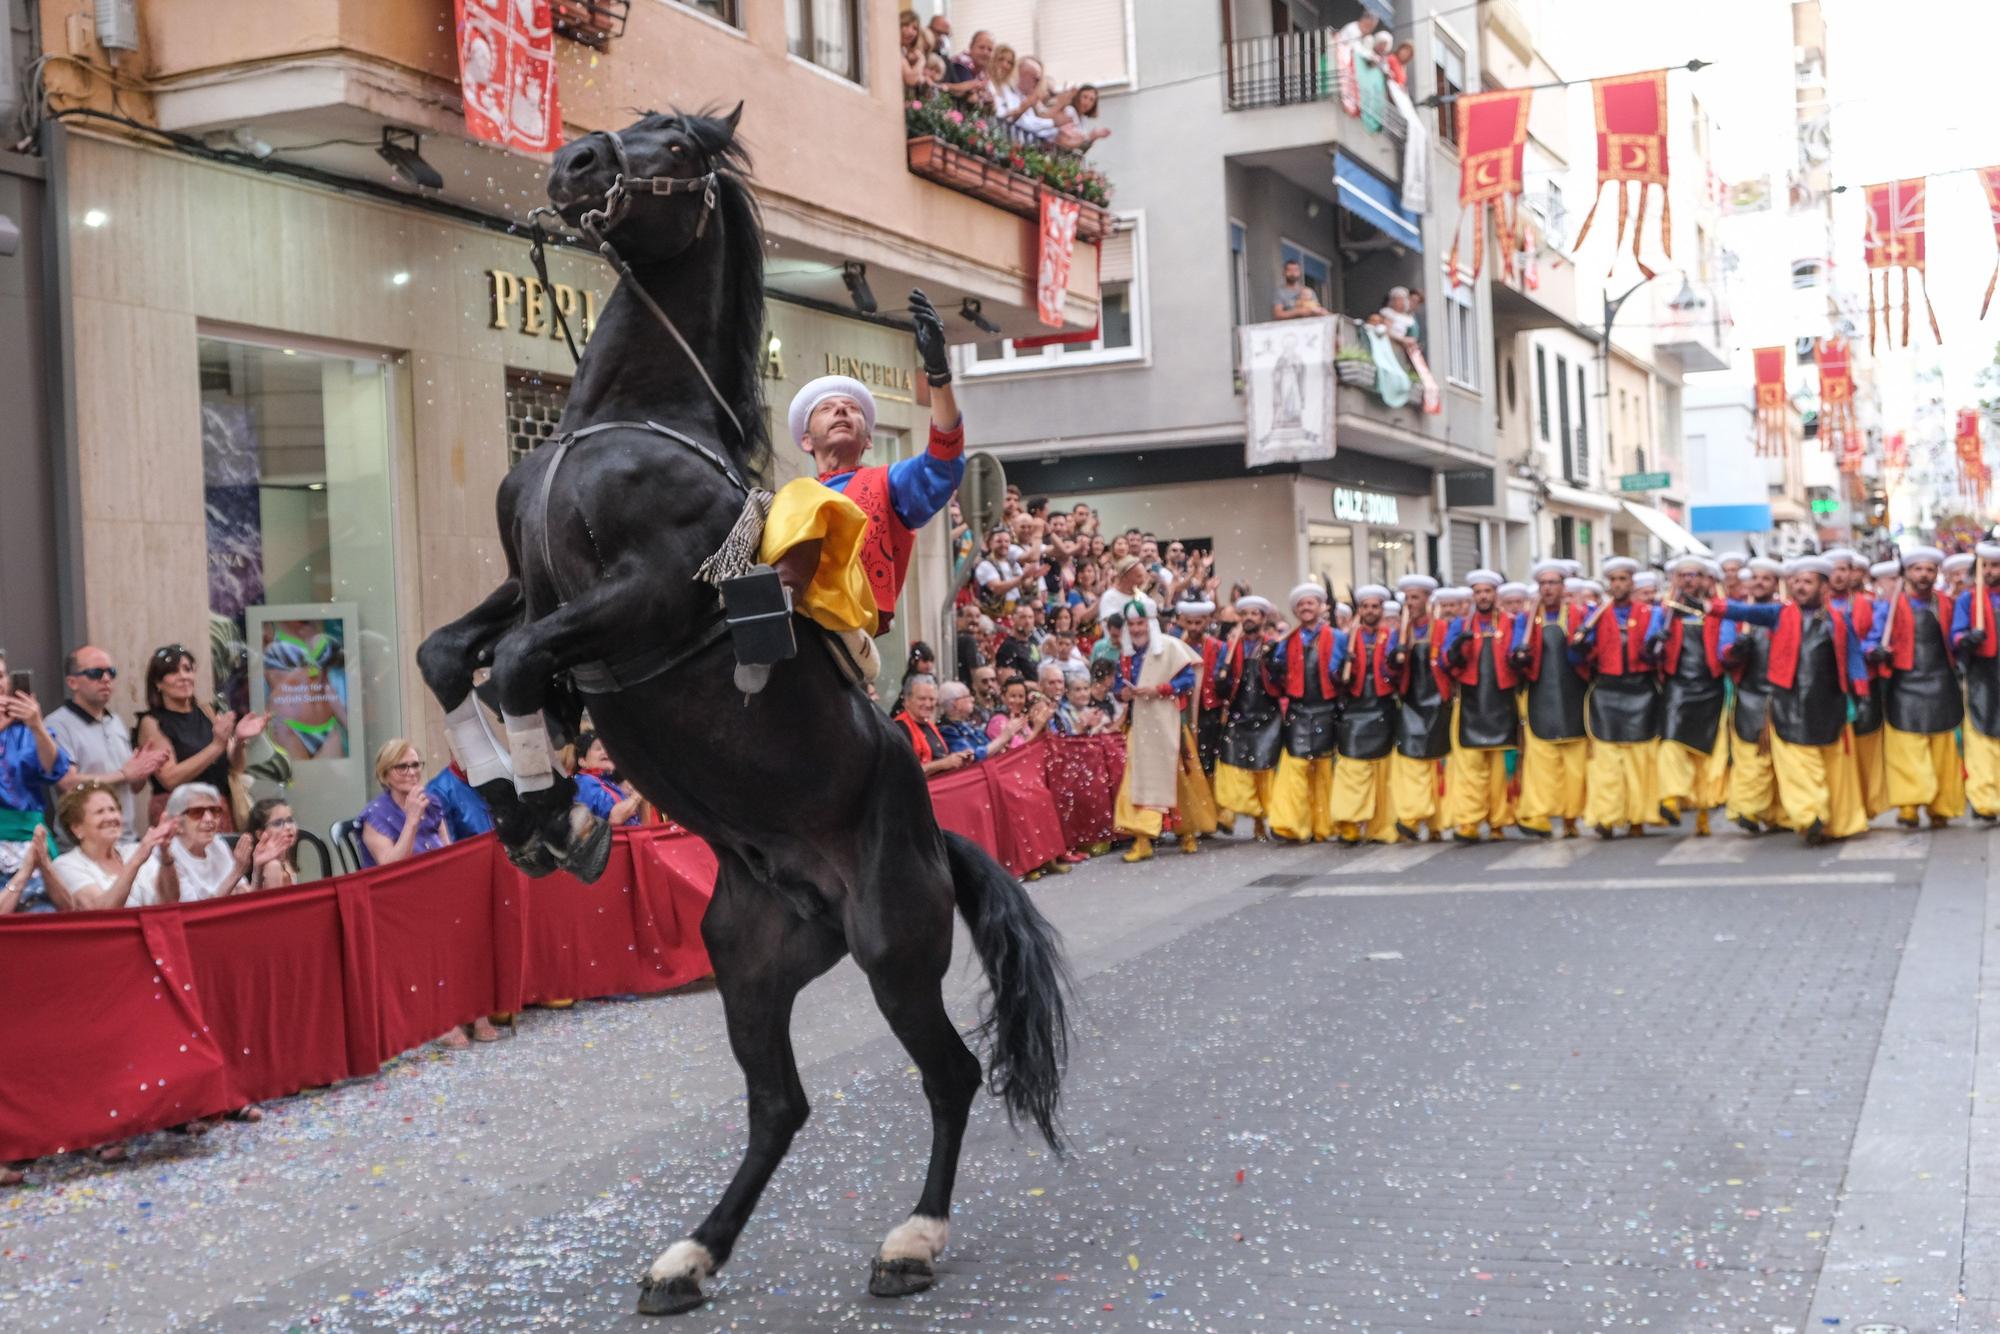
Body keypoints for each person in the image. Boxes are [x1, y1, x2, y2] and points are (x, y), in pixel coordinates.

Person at [761, 293, 964, 656]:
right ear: (806, 441)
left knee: (798, 493)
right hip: (798, 623)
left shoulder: (888, 483)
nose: (841, 409)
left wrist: (938, 374)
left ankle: (773, 610)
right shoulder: (791, 499)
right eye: (827, 408)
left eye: (851, 409)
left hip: (850, 623)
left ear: (869, 440)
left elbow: (943, 462)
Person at [1713, 557, 1868, 843]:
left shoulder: (1837, 618)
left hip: (1828, 703)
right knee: (1799, 765)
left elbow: (1853, 656)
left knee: (1831, 767)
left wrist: (1861, 692)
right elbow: (1742, 611)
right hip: (1787, 703)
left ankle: (1832, 819)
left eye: (1807, 581)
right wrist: (1713, 607)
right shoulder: (1778, 614)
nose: (1800, 587)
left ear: (1823, 587)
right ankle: (1810, 817)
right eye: (1795, 581)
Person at [1865, 545, 1964, 827]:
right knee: (1906, 748)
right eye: (1917, 569)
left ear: (1936, 574)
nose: (1924, 575)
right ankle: (1909, 806)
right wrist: (1875, 651)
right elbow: (1872, 639)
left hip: (1941, 683)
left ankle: (1941, 806)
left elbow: (1957, 636)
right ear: (1907, 573)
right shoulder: (1890, 606)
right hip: (1905, 685)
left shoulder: (1945, 604)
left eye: (1929, 570)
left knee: (1942, 749)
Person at [1570, 557, 1667, 838]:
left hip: (1641, 689)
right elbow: (1577, 656)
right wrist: (1578, 645)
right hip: (1607, 690)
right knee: (1606, 760)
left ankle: (1639, 817)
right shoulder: (1596, 614)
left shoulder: (1649, 613)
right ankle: (1606, 816)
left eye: (1623, 579)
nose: (1618, 584)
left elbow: (1658, 653)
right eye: (1613, 580)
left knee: (1639, 758)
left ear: (1631, 583)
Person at [1111, 603, 1211, 861]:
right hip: (1139, 726)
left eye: (1140, 623)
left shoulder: (1169, 647)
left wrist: (1160, 689)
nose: (1135, 629)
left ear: (1150, 623)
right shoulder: (1126, 654)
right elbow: (1118, 685)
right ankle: (1142, 838)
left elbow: (1187, 680)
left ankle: (1186, 831)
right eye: (1131, 624)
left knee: (1177, 778)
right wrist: (1122, 693)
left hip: (1167, 722)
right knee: (1138, 780)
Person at [135, 644, 265, 829]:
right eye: (173, 672)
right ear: (158, 683)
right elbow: (170, 778)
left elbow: (237, 766)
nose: (184, 677)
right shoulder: (152, 722)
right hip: (180, 814)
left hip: (219, 807)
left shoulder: (208, 711)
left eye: (187, 669)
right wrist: (215, 747)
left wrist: (240, 740)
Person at [46, 645, 167, 837]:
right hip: (83, 843)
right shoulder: (57, 724)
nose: (106, 679)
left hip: (125, 837)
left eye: (111, 672)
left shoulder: (115, 721)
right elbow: (68, 783)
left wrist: (143, 769)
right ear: (72, 682)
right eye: (96, 673)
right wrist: (124, 773)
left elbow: (133, 787)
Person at [1509, 559, 1590, 838]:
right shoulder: (1526, 618)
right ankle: (1536, 814)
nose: (1547, 588)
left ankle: (1571, 816)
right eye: (1543, 584)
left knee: (1575, 764)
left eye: (1553, 583)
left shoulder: (1579, 615)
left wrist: (1583, 647)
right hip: (1540, 695)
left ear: (1563, 587)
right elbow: (1514, 651)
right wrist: (1518, 656)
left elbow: (1590, 655)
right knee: (1540, 762)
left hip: (1573, 694)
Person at [1438, 570, 1519, 842]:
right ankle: (1469, 821)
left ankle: (1498, 821)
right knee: (1468, 767)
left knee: (1498, 769)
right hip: (1470, 703)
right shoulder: (1460, 626)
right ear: (1473, 596)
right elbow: (1446, 664)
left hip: (1500, 702)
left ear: (1495, 594)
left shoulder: (1510, 622)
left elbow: (1518, 658)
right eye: (1478, 592)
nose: (1483, 596)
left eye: (1488, 591)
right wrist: (1455, 652)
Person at [1653, 556, 1731, 836]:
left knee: (1706, 751)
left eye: (1694, 575)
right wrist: (1654, 642)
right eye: (1683, 575)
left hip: (1710, 687)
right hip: (1677, 685)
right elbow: (1651, 642)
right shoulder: (1665, 610)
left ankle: (1702, 812)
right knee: (1671, 742)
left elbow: (1727, 644)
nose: (1688, 580)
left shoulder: (1718, 610)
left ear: (1705, 579)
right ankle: (1671, 797)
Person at [1269, 583, 1341, 844]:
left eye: (1310, 603)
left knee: (1323, 768)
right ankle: (1290, 824)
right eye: (1301, 605)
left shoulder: (1338, 637)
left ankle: (1324, 826)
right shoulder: (1287, 641)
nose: (1305, 607)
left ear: (1320, 607)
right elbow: (1277, 679)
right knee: (1296, 766)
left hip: (1327, 707)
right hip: (1299, 708)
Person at [0, 654, 71, 912]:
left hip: (27, 841)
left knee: (42, 915)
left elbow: (55, 769)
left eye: (1, 675)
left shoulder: (25, 729)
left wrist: (37, 726)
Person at [1330, 585, 1400, 844]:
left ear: (1381, 610)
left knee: (1383, 772)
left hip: (1382, 708)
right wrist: (1341, 668)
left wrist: (1397, 663)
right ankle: (1348, 823)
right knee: (1352, 769)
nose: (1370, 611)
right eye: (1366, 607)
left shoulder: (1391, 635)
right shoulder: (1345, 637)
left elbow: (1397, 672)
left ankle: (1381, 826)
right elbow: (1333, 674)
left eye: (1375, 607)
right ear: (1360, 610)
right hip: (1354, 710)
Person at [1212, 595, 1282, 838]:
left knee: (1263, 770)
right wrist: (1222, 679)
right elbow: (1221, 682)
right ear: (1240, 619)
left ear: (1263, 618)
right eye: (1246, 614)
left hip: (1267, 714)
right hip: (1239, 714)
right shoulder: (1230, 647)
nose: (1250, 618)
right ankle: (1232, 813)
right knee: (1232, 765)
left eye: (1255, 614)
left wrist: (1273, 662)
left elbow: (1281, 678)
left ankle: (1262, 821)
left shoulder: (1272, 645)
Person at [1722, 557, 1785, 831]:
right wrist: (1736, 650)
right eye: (1755, 578)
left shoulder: (1786, 614)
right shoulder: (1736, 616)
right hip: (1749, 696)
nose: (1760, 583)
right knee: (1750, 756)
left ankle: (1780, 815)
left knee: (1783, 760)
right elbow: (1722, 654)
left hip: (1783, 696)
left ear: (1775, 584)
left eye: (1766, 578)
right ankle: (1747, 809)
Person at [1386, 574, 1449, 841]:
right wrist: (1398, 652)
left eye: (1415, 598)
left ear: (1426, 599)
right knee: (1411, 761)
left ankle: (1436, 822)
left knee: (1435, 765)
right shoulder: (1398, 632)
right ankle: (1411, 817)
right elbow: (1388, 670)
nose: (1410, 603)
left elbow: (1449, 663)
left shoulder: (1442, 628)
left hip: (1437, 702)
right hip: (1411, 703)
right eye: (1407, 599)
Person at [1827, 548, 1886, 817]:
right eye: (1834, 569)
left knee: (1865, 746)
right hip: (1826, 685)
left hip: (1863, 684)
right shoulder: (1817, 607)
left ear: (1853, 573)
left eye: (1844, 569)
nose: (1839, 575)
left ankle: (1868, 802)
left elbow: (1875, 636)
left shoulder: (1867, 604)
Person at [46, 785, 174, 910]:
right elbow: (100, 912)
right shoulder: (66, 865)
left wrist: (165, 855)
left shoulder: (134, 850)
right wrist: (136, 861)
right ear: (77, 828)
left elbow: (171, 900)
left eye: (113, 809)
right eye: (99, 812)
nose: (111, 817)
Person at [164, 781, 274, 901]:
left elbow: (245, 895)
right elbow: (194, 913)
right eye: (197, 812)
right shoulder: (168, 856)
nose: (209, 819)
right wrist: (237, 872)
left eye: (214, 811)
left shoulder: (217, 845)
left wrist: (258, 869)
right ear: (177, 823)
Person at [1954, 543, 2000, 821]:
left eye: (1995, 566)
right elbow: (1956, 635)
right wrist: (1967, 639)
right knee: (1981, 733)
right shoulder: (1968, 600)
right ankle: (1984, 800)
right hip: (1981, 674)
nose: (1991, 571)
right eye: (1986, 566)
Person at [359, 738, 452, 868]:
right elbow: (391, 870)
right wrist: (412, 820)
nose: (412, 772)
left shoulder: (430, 803)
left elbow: (449, 853)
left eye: (415, 765)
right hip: (399, 885)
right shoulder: (375, 815)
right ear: (384, 775)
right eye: (402, 767)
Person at [894, 675, 967, 777]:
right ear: (907, 700)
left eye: (932, 699)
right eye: (922, 699)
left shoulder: (929, 725)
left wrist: (959, 759)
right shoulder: (900, 729)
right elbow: (905, 773)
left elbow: (941, 758)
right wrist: (943, 764)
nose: (928, 704)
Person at [572, 730, 644, 828]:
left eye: (607, 748)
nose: (605, 751)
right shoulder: (585, 781)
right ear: (582, 761)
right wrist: (639, 792)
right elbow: (615, 818)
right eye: (598, 748)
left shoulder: (606, 781)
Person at [242, 796, 301, 889]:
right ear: (261, 834)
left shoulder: (285, 858)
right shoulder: (273, 866)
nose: (288, 827)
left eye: (290, 820)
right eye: (278, 823)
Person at [987, 677, 1054, 753]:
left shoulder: (1022, 719)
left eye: (1021, 696)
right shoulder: (997, 721)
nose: (1017, 701)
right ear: (1003, 697)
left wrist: (1044, 725)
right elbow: (1017, 754)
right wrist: (1036, 728)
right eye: (1013, 696)